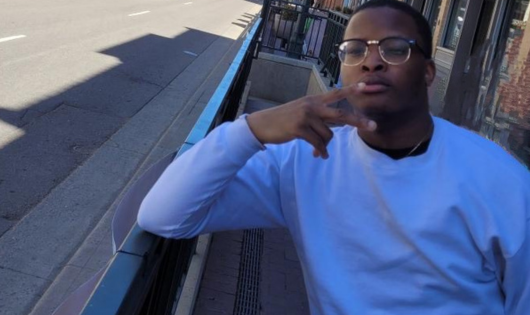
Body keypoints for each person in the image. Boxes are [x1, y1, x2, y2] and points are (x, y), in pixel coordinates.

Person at [138, 0, 530, 314]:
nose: (371, 61)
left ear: (429, 72)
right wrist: (250, 130)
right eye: (354, 49)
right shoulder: (304, 159)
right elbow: (163, 215)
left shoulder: (500, 181)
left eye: (395, 49)